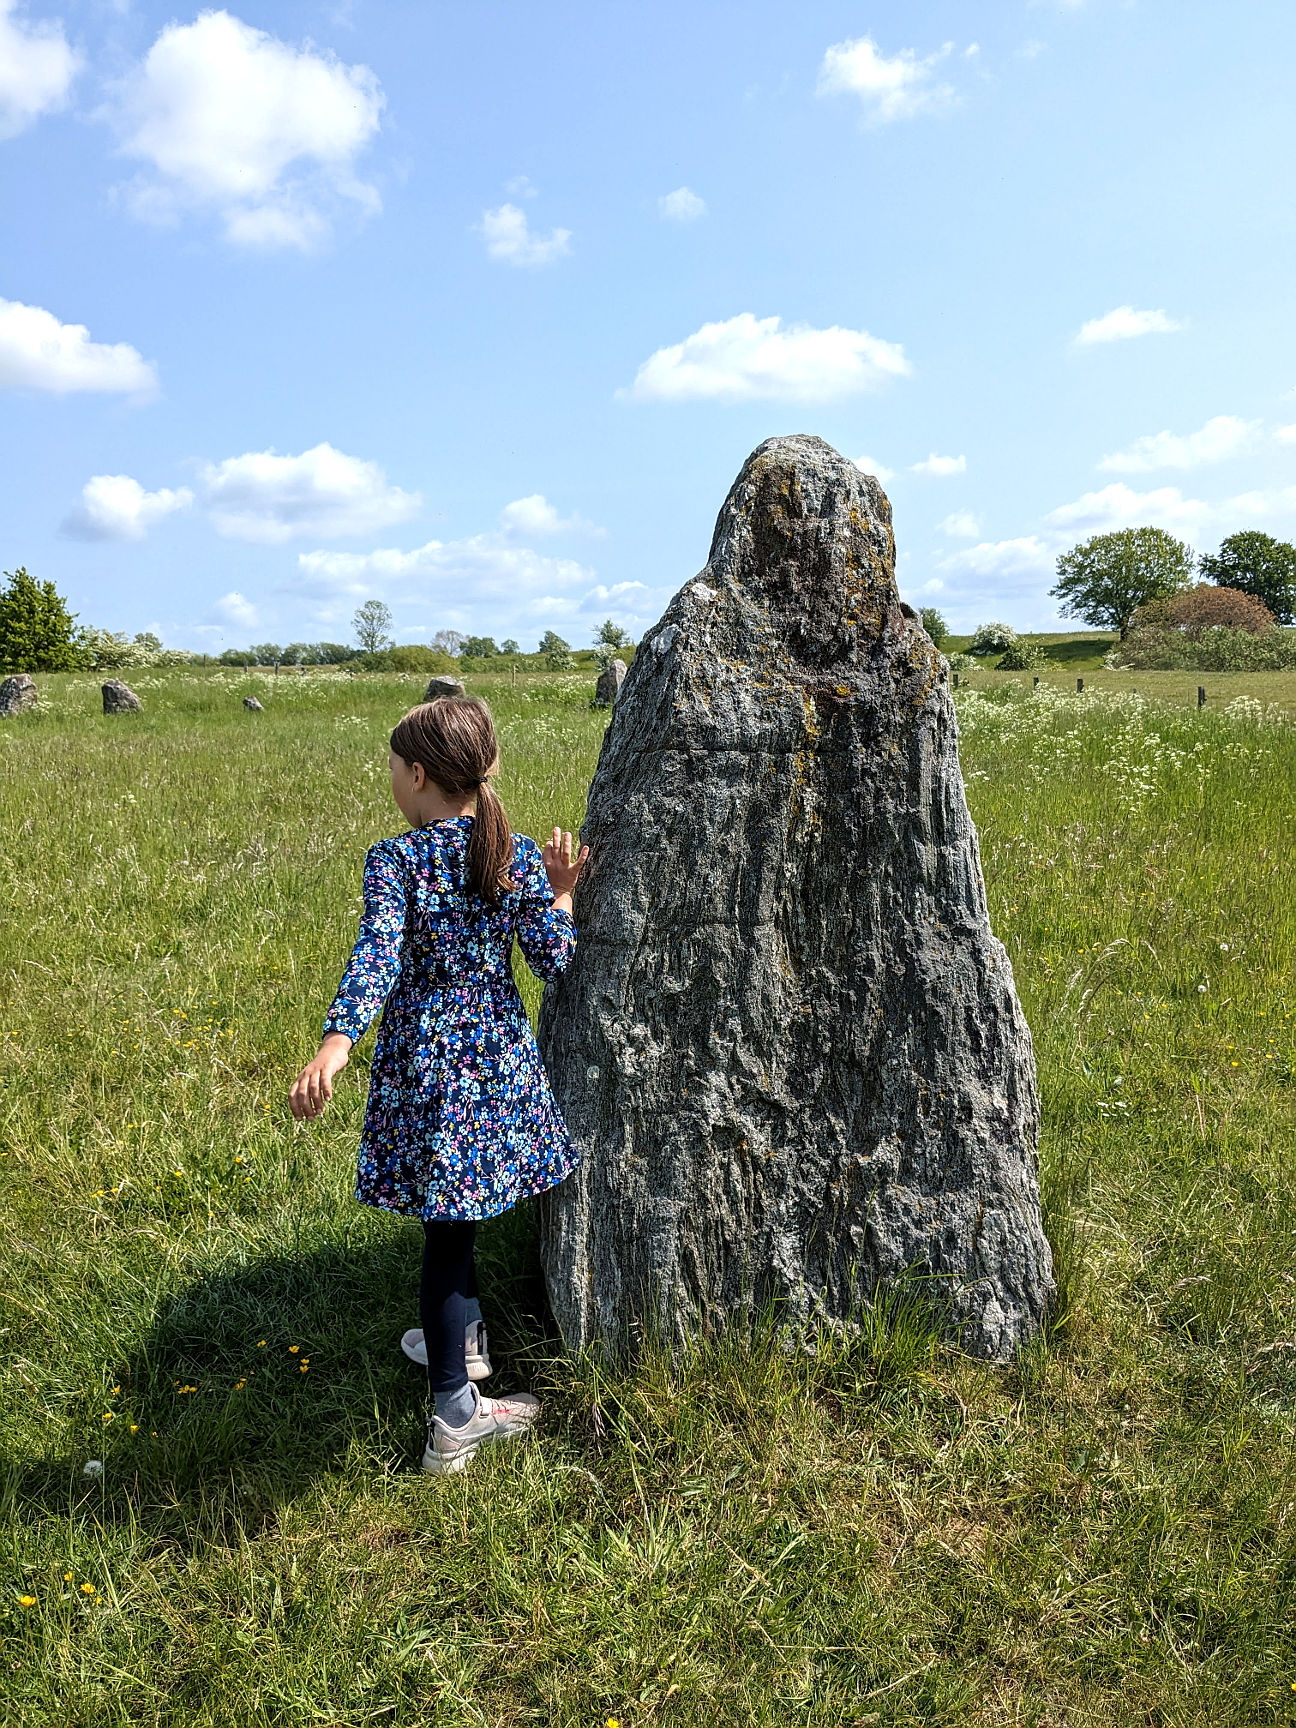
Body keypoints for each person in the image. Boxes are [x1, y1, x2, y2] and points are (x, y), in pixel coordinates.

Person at [289, 695, 587, 1474]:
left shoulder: (395, 861)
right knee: (459, 1220)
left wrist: (337, 1044)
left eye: (392, 768)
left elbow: (376, 960)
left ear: (418, 774)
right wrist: (561, 892)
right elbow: (554, 962)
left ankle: (454, 1413)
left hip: (426, 1070)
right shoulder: (517, 854)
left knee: (447, 1233)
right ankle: (461, 1340)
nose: (390, 780)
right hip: (492, 1069)